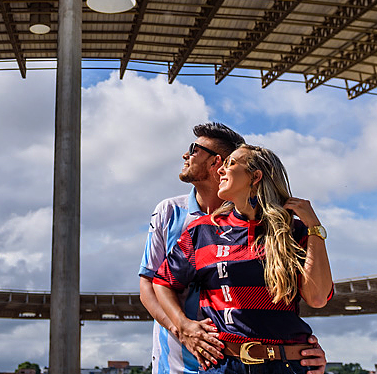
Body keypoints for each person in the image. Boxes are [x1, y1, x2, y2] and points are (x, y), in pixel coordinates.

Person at [139, 127, 326, 374]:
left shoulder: (292, 230)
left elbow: (315, 298)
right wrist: (183, 328)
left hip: (284, 364)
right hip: (201, 362)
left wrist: (315, 230)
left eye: (194, 150)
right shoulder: (185, 220)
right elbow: (154, 283)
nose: (186, 155)